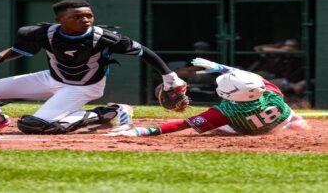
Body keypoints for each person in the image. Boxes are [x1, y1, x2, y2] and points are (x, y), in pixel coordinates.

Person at [0, 0, 186, 134]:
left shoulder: (104, 37)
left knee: (36, 125)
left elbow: (145, 52)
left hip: (83, 88)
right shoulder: (41, 32)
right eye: (77, 17)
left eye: (88, 15)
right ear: (60, 20)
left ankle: (111, 113)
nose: (86, 20)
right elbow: (18, 50)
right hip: (50, 78)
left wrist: (170, 77)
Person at [107, 57, 310, 137]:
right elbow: (252, 79)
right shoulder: (270, 91)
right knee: (283, 106)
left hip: (249, 129)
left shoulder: (223, 112)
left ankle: (291, 122)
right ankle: (295, 121)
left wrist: (140, 132)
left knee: (217, 131)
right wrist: (219, 67)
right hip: (279, 119)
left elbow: (182, 124)